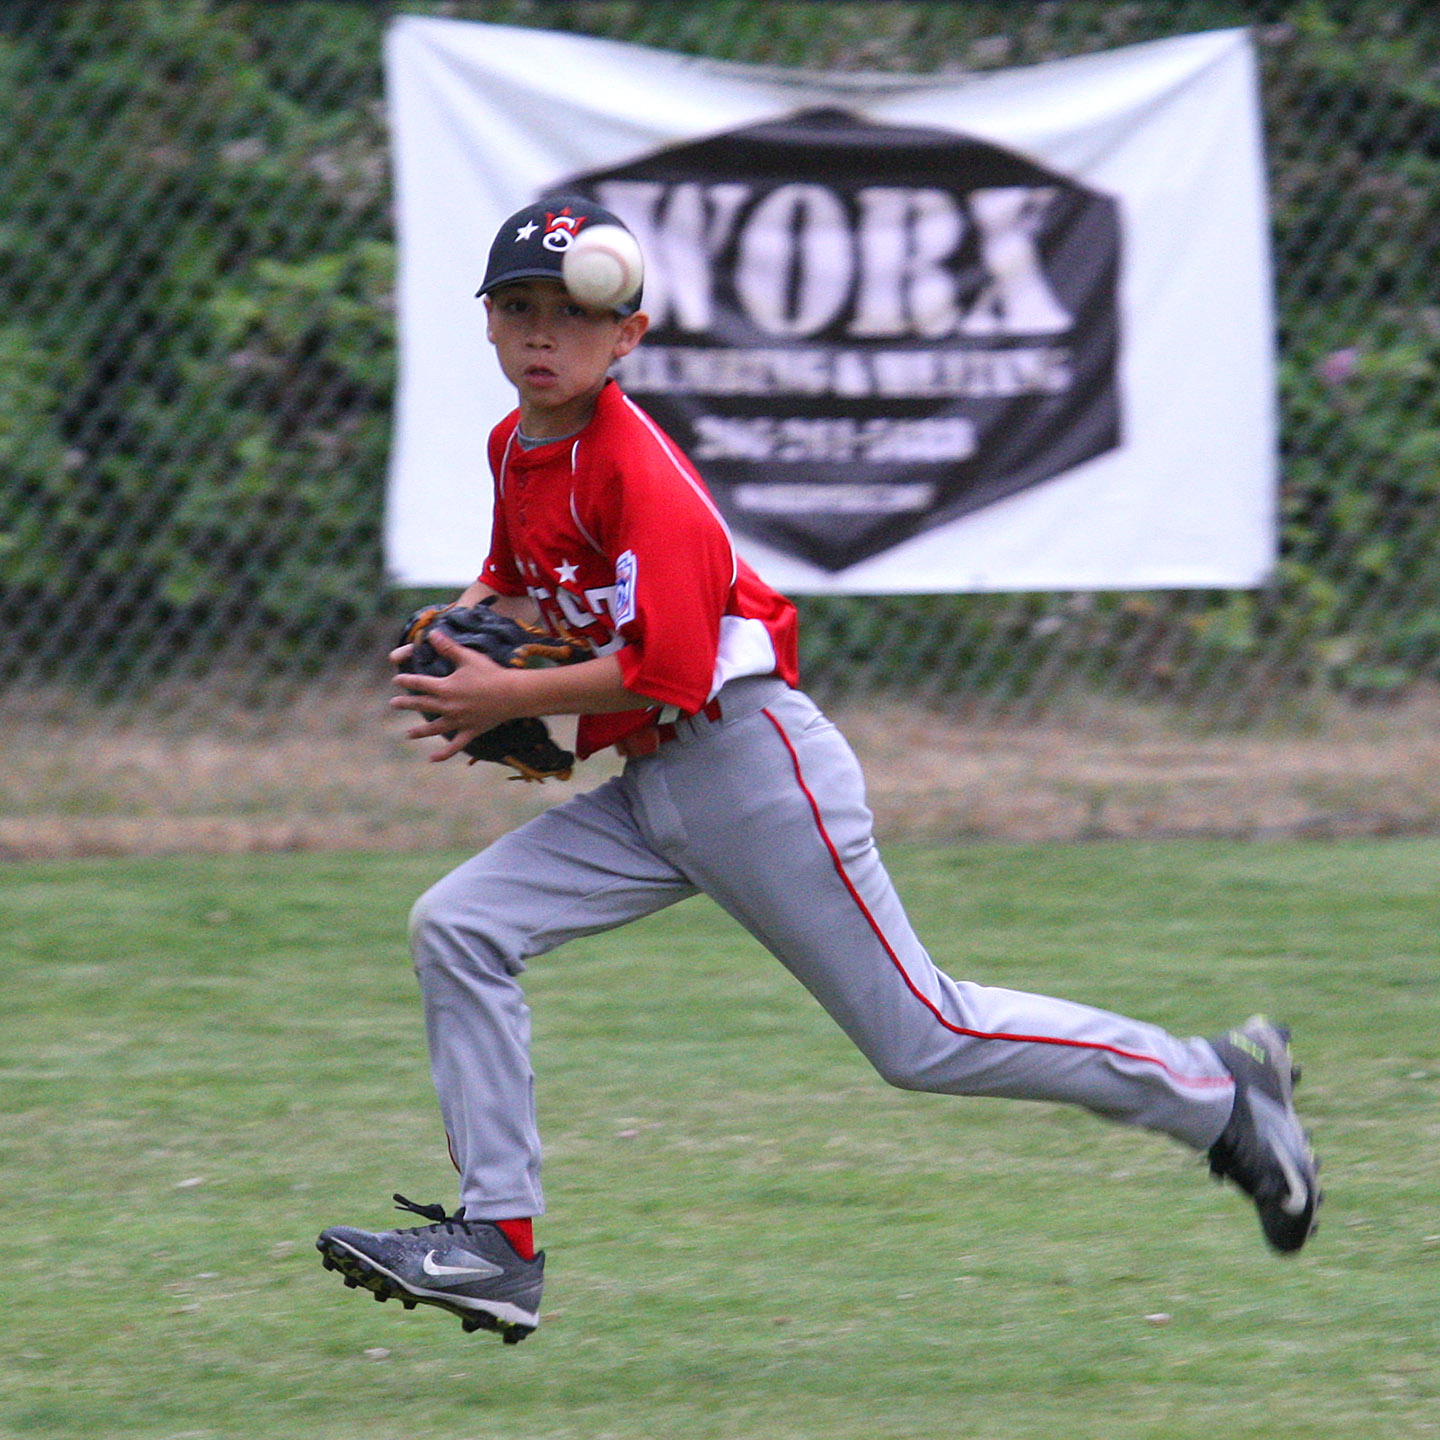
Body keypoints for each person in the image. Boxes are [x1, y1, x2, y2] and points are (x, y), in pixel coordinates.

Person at [316, 195, 1320, 1345]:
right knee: (460, 925)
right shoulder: (517, 448)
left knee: (926, 1037)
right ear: (487, 323)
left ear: (627, 338)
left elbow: (673, 673)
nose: (547, 334)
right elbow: (512, 576)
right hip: (651, 791)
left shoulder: (640, 471)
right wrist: (461, 631)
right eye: (521, 308)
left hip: (752, 766)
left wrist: (504, 697)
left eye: (576, 314)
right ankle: (501, 1243)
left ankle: (1216, 1092)